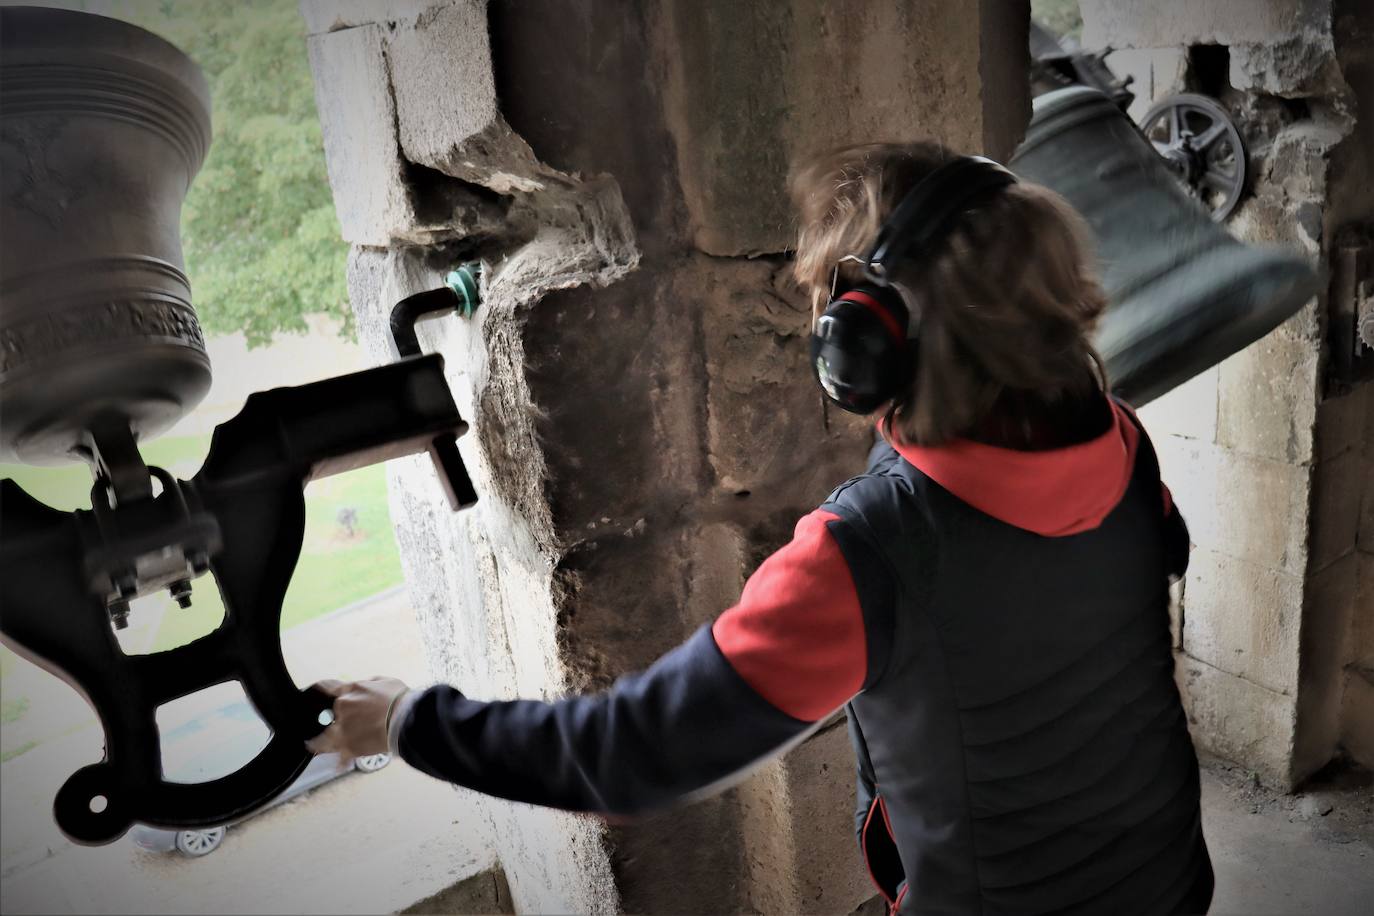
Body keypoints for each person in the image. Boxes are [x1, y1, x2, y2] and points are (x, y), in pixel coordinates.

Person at [307, 141, 1213, 915]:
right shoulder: (1118, 440)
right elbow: (1148, 559)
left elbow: (626, 758)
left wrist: (405, 721)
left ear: (867, 346)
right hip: (1167, 883)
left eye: (830, 302)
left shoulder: (864, 557)